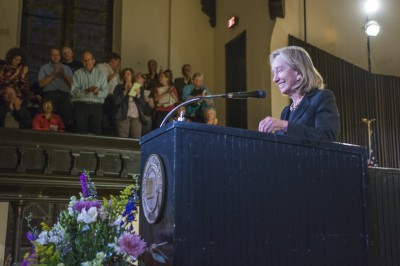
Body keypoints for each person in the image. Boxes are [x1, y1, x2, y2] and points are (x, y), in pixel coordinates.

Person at [258, 46, 340, 141]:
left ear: (298, 71)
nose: (274, 79)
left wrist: (284, 126)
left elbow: (328, 136)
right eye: (273, 73)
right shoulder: (286, 112)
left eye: (279, 70)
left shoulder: (322, 97)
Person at [70, 51, 108, 135]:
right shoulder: (77, 73)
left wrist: (97, 92)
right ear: (82, 62)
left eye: (89, 60)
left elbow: (105, 92)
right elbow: (73, 91)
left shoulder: (101, 74)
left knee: (96, 133)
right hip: (81, 106)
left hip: (96, 106)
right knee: (80, 133)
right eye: (85, 60)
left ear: (94, 61)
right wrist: (85, 91)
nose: (87, 62)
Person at [38, 48, 74, 131]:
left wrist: (64, 75)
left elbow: (72, 85)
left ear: (60, 56)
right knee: (49, 119)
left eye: (57, 55)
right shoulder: (44, 68)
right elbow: (41, 84)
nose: (55, 57)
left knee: (65, 120)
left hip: (64, 96)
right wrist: (53, 75)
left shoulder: (67, 68)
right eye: (53, 55)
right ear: (50, 56)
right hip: (50, 95)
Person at [112, 68, 143, 138]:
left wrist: (137, 94)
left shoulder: (138, 87)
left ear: (132, 76)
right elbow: (116, 102)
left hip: (136, 116)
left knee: (136, 139)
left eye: (128, 74)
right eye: (124, 74)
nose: (125, 76)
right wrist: (125, 91)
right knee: (123, 138)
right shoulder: (118, 88)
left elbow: (143, 104)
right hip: (122, 116)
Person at [96, 52, 121, 130]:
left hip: (113, 98)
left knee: (113, 120)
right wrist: (116, 72)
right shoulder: (101, 67)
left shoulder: (114, 72)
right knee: (100, 119)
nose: (118, 65)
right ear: (113, 60)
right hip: (104, 97)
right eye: (118, 62)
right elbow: (104, 80)